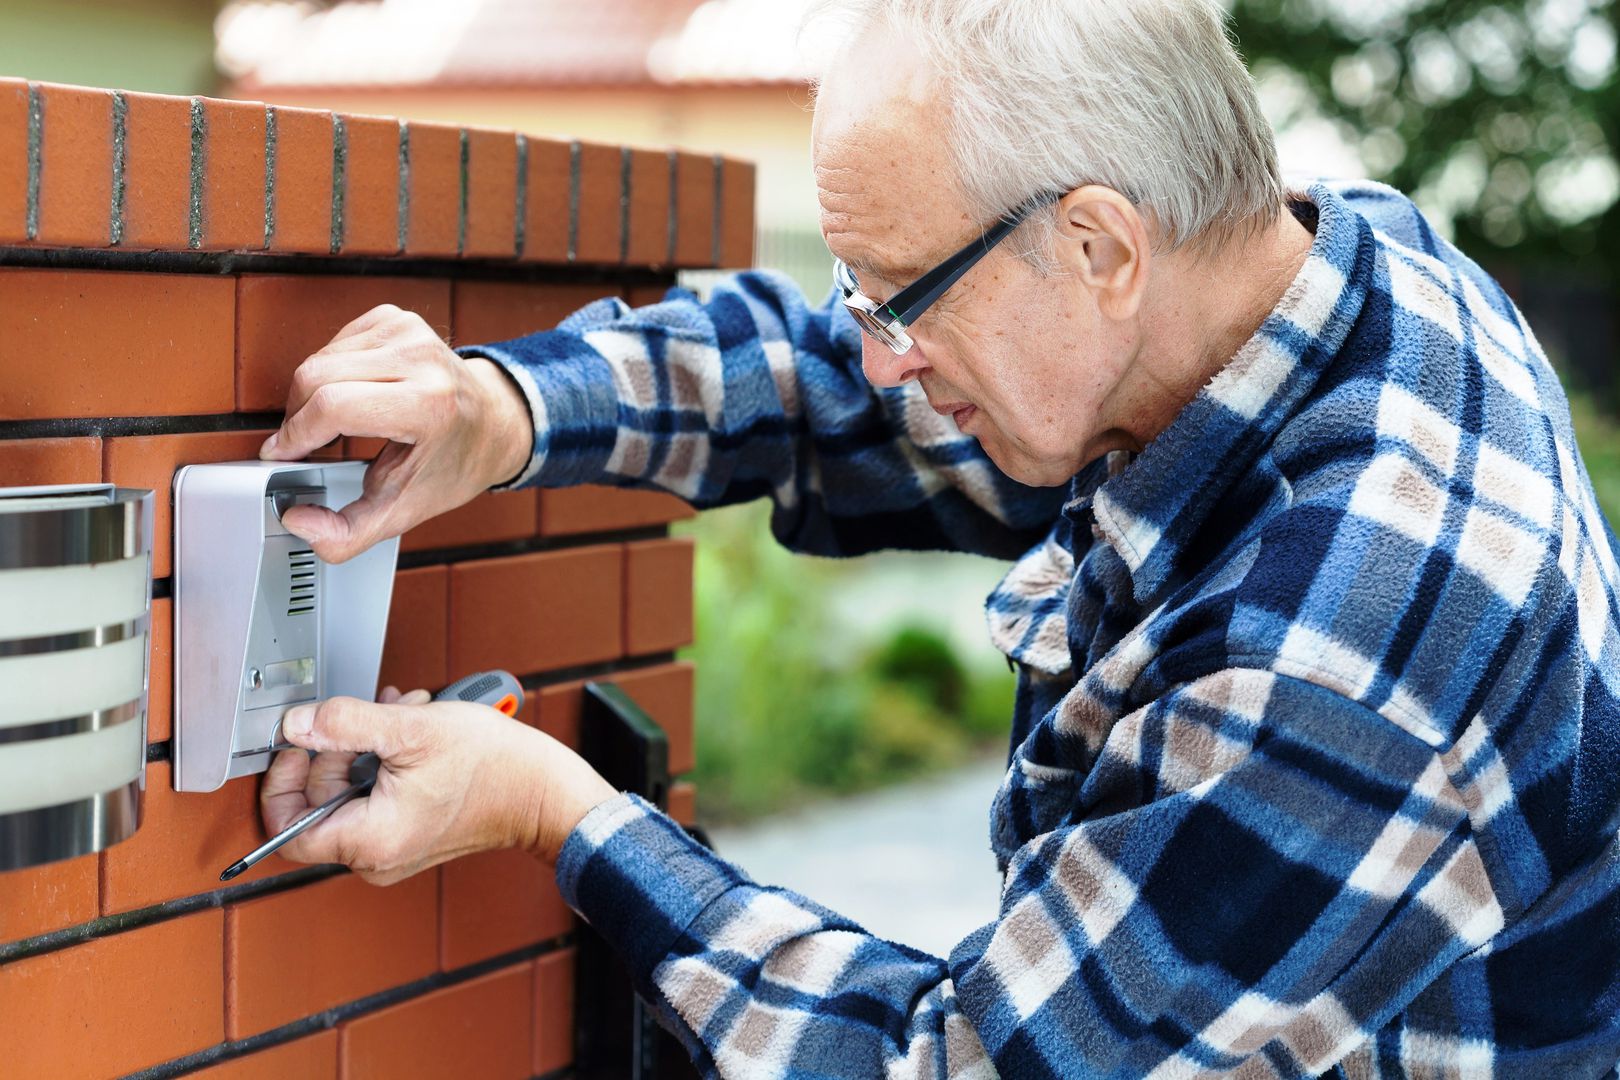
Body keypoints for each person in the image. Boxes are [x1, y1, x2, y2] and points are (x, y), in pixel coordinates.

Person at [255, 0, 1620, 1075]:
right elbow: (826, 390)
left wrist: (554, 810)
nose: (880, 353)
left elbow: (956, 1063)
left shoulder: (1354, 640)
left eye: (902, 297)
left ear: (1100, 247)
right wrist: (510, 410)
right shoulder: (1293, 284)